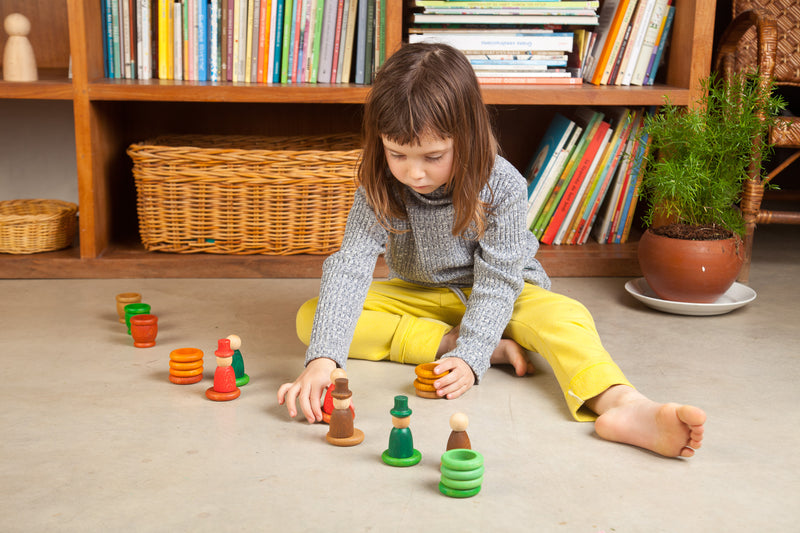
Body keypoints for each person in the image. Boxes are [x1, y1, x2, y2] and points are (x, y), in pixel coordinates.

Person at [277, 42, 706, 458]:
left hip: (504, 296)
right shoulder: (378, 182)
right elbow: (350, 265)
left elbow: (500, 281)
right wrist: (323, 359)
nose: (413, 172)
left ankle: (623, 405)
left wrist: (472, 357)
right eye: (397, 154)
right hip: (422, 297)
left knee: (566, 316)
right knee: (312, 317)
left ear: (464, 137)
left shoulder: (503, 185)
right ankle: (454, 343)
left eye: (432, 155)